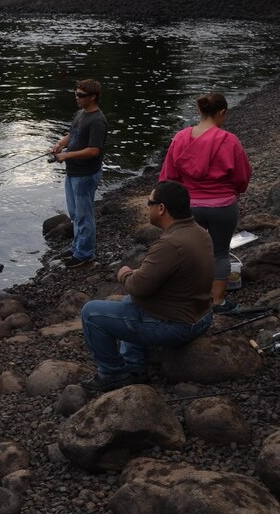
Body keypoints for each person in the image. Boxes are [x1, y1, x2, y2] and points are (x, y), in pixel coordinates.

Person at [79, 181, 214, 392]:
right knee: (129, 302)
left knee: (91, 314)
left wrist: (125, 274)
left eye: (149, 202)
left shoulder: (169, 244)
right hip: (202, 315)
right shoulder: (198, 231)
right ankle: (134, 365)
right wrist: (138, 277)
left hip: (179, 326)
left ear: (161, 208)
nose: (147, 206)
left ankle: (113, 374)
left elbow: (139, 287)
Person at [159, 92, 252, 314]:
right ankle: (217, 302)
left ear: (199, 111)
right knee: (219, 252)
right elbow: (242, 176)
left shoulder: (181, 138)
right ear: (222, 113)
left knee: (191, 252)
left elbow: (168, 176)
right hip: (223, 206)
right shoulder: (229, 141)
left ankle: (190, 298)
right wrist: (235, 191)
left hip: (190, 205)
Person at [50, 79, 107, 268]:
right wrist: (60, 144)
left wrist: (66, 156)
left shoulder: (98, 120)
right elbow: (72, 135)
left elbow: (94, 150)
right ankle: (77, 247)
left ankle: (85, 254)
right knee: (75, 213)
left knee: (84, 215)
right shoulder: (80, 114)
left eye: (81, 95)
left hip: (86, 174)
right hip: (73, 172)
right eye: (76, 94)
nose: (77, 98)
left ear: (93, 97)